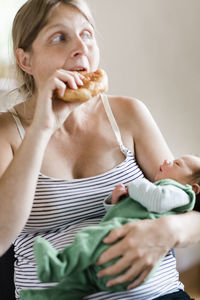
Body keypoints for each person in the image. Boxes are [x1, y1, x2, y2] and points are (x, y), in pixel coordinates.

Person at [0, 0, 199, 299]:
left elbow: (190, 203)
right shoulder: (6, 132)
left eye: (87, 34)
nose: (82, 47)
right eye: (60, 37)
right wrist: (41, 130)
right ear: (25, 59)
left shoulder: (129, 114)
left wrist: (169, 230)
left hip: (160, 293)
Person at [19, 154, 200, 300]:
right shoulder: (159, 189)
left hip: (126, 252)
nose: (167, 160)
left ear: (193, 187)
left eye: (176, 163)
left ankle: (59, 264)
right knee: (78, 286)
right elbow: (124, 213)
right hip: (113, 256)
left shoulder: (181, 194)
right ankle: (41, 295)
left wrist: (136, 186)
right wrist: (117, 202)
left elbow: (157, 199)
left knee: (87, 238)